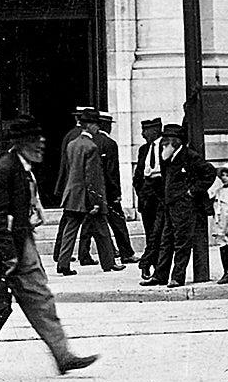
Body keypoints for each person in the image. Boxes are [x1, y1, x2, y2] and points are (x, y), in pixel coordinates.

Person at [0, 116, 99, 381]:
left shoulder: (22, 167)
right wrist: (6, 256)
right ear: (20, 143)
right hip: (2, 253)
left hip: (21, 247)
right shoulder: (5, 169)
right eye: (34, 140)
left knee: (41, 299)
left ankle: (63, 355)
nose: (41, 144)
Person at [143, 123, 217, 288]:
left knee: (181, 243)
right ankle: (160, 276)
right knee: (166, 241)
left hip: (185, 206)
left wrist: (192, 191)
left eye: (167, 140)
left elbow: (210, 173)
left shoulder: (189, 156)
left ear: (175, 141)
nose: (163, 143)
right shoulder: (166, 157)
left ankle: (177, 277)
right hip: (170, 205)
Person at [55, 108, 117, 276]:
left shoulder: (72, 144)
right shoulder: (91, 147)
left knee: (70, 230)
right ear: (89, 125)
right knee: (102, 229)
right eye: (96, 124)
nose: (98, 127)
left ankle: (63, 263)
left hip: (72, 195)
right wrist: (96, 201)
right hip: (86, 197)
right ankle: (109, 263)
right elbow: (92, 177)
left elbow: (71, 171)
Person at [77, 110, 135, 268]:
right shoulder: (109, 143)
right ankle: (126, 253)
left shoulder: (85, 141)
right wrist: (116, 193)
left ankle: (84, 254)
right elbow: (112, 172)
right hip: (107, 191)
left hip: (91, 192)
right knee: (118, 223)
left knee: (88, 224)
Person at [132, 117, 166, 280]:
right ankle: (152, 267)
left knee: (157, 233)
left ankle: (146, 263)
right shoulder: (143, 150)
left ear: (155, 130)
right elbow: (138, 174)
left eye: (145, 131)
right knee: (150, 232)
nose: (143, 134)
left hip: (161, 193)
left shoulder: (166, 147)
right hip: (146, 195)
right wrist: (141, 192)